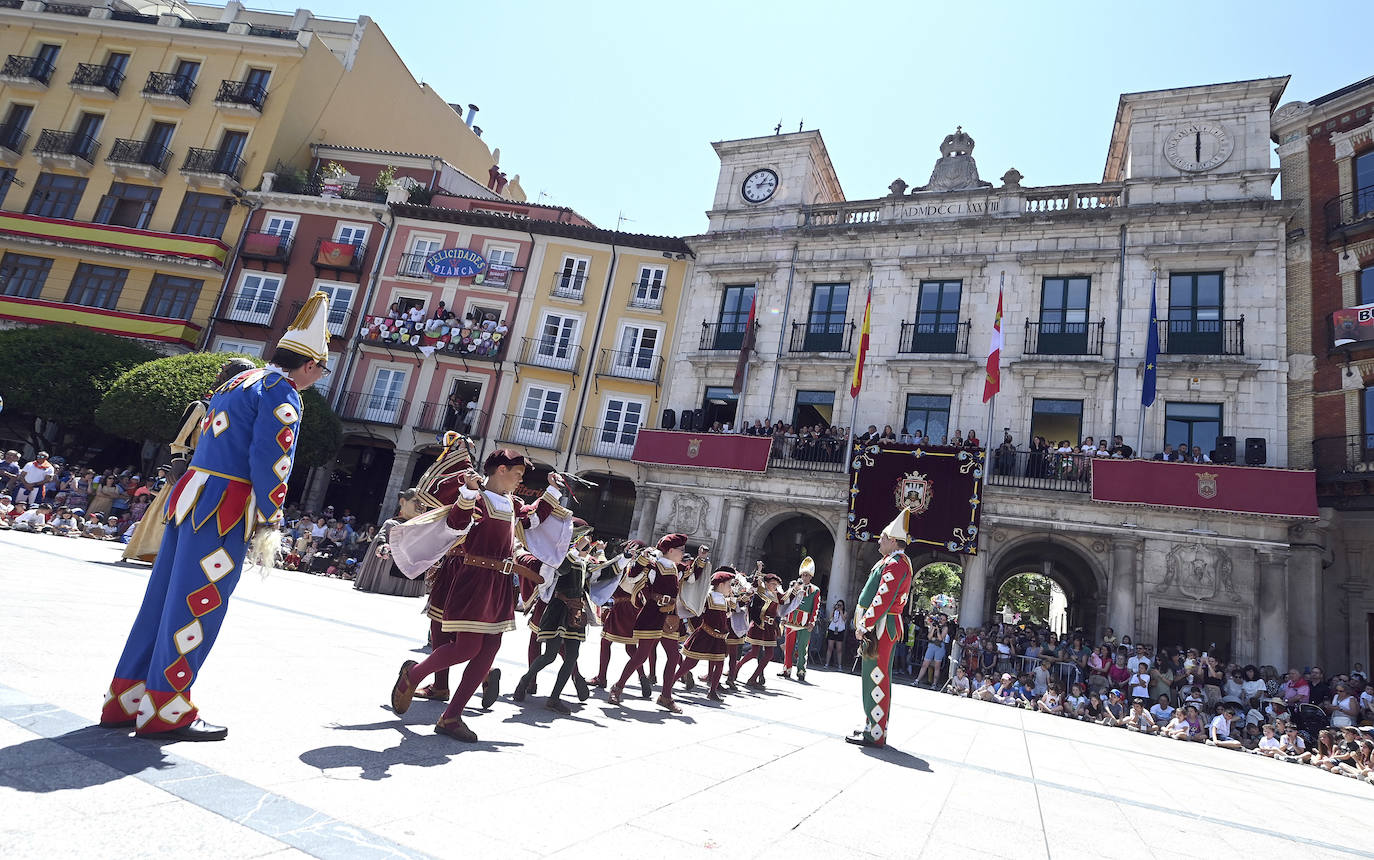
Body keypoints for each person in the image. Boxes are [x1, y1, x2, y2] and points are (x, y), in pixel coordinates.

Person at [98, 293, 328, 741]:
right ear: (310, 366)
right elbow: (273, 459)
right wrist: (270, 515)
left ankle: (126, 699)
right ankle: (167, 710)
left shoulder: (235, 383)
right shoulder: (282, 392)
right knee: (197, 604)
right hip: (225, 507)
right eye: (320, 370)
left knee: (161, 601)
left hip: (192, 499)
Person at [388, 445, 570, 742]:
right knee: (466, 648)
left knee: (488, 651)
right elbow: (456, 523)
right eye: (518, 474)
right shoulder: (478, 498)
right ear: (501, 470)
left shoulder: (511, 503)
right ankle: (415, 675)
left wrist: (551, 491)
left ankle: (451, 716)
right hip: (473, 579)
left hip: (499, 583)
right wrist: (469, 493)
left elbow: (531, 519)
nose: (520, 480)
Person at [123, 360, 259, 563]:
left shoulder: (239, 412)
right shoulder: (200, 407)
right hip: (190, 469)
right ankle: (153, 551)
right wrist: (178, 462)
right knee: (172, 510)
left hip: (215, 474)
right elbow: (181, 438)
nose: (220, 376)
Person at [513, 525, 614, 713]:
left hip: (576, 612)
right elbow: (561, 569)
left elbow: (603, 572)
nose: (588, 544)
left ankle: (554, 698)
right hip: (559, 609)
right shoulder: (559, 557)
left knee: (572, 656)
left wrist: (623, 558)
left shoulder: (584, 563)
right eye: (585, 540)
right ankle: (525, 680)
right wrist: (575, 549)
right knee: (550, 655)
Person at [608, 535, 709, 712]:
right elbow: (631, 576)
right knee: (641, 656)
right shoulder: (654, 565)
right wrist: (642, 558)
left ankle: (666, 696)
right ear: (671, 551)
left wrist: (701, 559)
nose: (683, 553)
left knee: (673, 655)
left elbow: (693, 578)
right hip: (652, 614)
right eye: (681, 550)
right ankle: (618, 687)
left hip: (670, 616)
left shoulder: (677, 568)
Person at [847, 509, 915, 748]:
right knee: (874, 677)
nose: (879, 540)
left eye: (883, 537)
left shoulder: (896, 563)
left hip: (881, 628)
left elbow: (882, 597)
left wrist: (865, 624)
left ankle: (875, 733)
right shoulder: (892, 561)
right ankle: (872, 725)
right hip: (882, 626)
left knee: (876, 678)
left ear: (893, 540)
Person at [671, 568, 744, 702]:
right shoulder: (708, 597)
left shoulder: (724, 599)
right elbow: (695, 609)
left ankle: (712, 692)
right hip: (705, 635)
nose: (730, 587)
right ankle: (670, 684)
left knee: (720, 665)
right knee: (690, 663)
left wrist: (736, 597)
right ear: (721, 584)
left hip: (719, 638)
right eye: (729, 584)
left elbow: (729, 613)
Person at [351, 489, 428, 595]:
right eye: (416, 501)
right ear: (402, 502)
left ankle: (410, 590)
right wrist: (382, 545)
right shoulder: (392, 523)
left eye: (425, 502)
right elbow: (382, 535)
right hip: (393, 562)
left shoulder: (425, 528)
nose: (421, 505)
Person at [730, 571, 783, 690]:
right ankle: (738, 668)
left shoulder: (777, 595)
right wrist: (759, 622)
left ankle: (753, 677)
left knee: (769, 654)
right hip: (759, 626)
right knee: (754, 653)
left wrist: (795, 590)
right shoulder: (761, 594)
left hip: (770, 628)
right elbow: (754, 610)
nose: (774, 586)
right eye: (772, 584)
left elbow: (786, 602)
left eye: (776, 584)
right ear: (766, 583)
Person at [778, 557, 821, 682]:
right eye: (803, 575)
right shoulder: (794, 586)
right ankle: (787, 669)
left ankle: (801, 671)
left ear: (811, 576)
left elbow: (816, 607)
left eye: (807, 575)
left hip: (805, 622)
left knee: (802, 647)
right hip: (791, 620)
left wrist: (812, 622)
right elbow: (787, 602)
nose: (804, 577)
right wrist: (784, 617)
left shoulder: (815, 590)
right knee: (788, 646)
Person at [823, 600, 847, 668]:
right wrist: (834, 610)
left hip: (840, 630)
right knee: (830, 647)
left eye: (840, 605)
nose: (839, 606)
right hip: (832, 629)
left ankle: (839, 665)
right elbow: (830, 618)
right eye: (838, 605)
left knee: (839, 649)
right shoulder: (834, 611)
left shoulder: (845, 612)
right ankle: (827, 664)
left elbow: (844, 619)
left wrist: (841, 611)